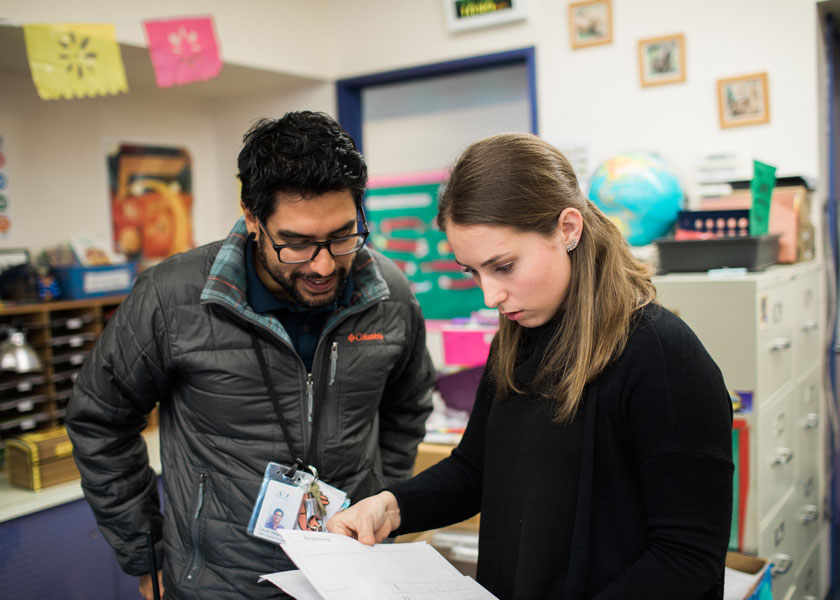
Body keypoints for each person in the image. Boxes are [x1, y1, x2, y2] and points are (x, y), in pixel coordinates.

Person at [327, 133, 734, 599]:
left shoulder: (662, 357)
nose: (490, 295)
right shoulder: (518, 338)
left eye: (503, 267)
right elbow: (476, 469)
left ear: (567, 229)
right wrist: (393, 506)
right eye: (472, 271)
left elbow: (686, 558)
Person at [66, 111, 435, 600]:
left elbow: (407, 409)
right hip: (219, 583)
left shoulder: (388, 294)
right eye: (298, 243)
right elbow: (99, 420)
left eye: (343, 234)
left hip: (351, 576)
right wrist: (145, 553)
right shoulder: (171, 297)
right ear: (252, 217)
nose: (324, 265)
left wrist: (381, 501)